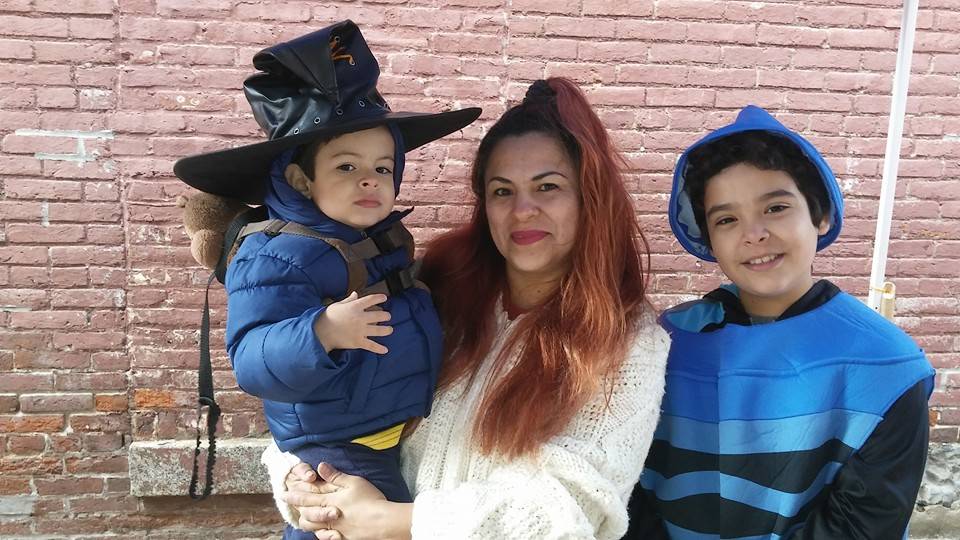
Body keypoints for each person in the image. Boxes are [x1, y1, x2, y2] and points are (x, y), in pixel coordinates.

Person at [260, 77, 670, 540]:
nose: (523, 210)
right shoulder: (431, 290)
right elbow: (313, 399)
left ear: (588, 197)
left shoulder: (627, 339)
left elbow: (577, 501)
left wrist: (392, 522)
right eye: (502, 191)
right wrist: (301, 483)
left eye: (548, 186)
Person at [171, 21, 480, 539]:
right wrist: (322, 332)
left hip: (385, 430)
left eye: (383, 168)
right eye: (345, 167)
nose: (370, 179)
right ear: (300, 179)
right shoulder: (278, 256)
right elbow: (251, 359)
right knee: (349, 526)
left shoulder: (373, 238)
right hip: (341, 446)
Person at [625, 105, 935, 539]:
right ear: (710, 241)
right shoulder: (664, 342)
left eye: (775, 207)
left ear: (821, 215)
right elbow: (628, 486)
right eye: (727, 219)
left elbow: (862, 525)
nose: (754, 233)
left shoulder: (887, 366)